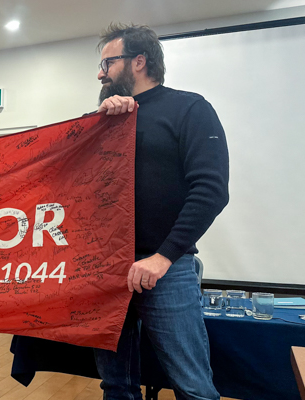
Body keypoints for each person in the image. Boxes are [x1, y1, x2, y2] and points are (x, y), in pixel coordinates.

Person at [92, 23, 229, 399]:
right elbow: (84, 189)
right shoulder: (104, 119)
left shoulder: (190, 108)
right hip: (109, 271)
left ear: (139, 61)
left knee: (193, 387)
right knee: (116, 385)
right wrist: (101, 123)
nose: (100, 73)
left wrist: (163, 257)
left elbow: (212, 190)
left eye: (108, 62)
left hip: (167, 270)